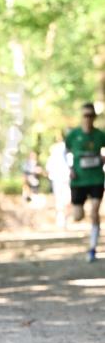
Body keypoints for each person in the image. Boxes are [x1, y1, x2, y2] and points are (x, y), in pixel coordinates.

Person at [64, 102, 105, 262]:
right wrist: (69, 168)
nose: (87, 118)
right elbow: (65, 151)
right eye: (85, 115)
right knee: (78, 216)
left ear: (94, 117)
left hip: (96, 179)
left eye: (90, 115)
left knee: (94, 212)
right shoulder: (73, 135)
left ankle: (92, 248)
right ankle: (70, 214)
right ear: (81, 117)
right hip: (78, 180)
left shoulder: (100, 135)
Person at [45, 137, 71, 229]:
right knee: (61, 200)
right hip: (59, 179)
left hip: (65, 179)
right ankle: (61, 220)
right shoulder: (55, 154)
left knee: (65, 200)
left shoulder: (66, 153)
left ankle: (63, 220)